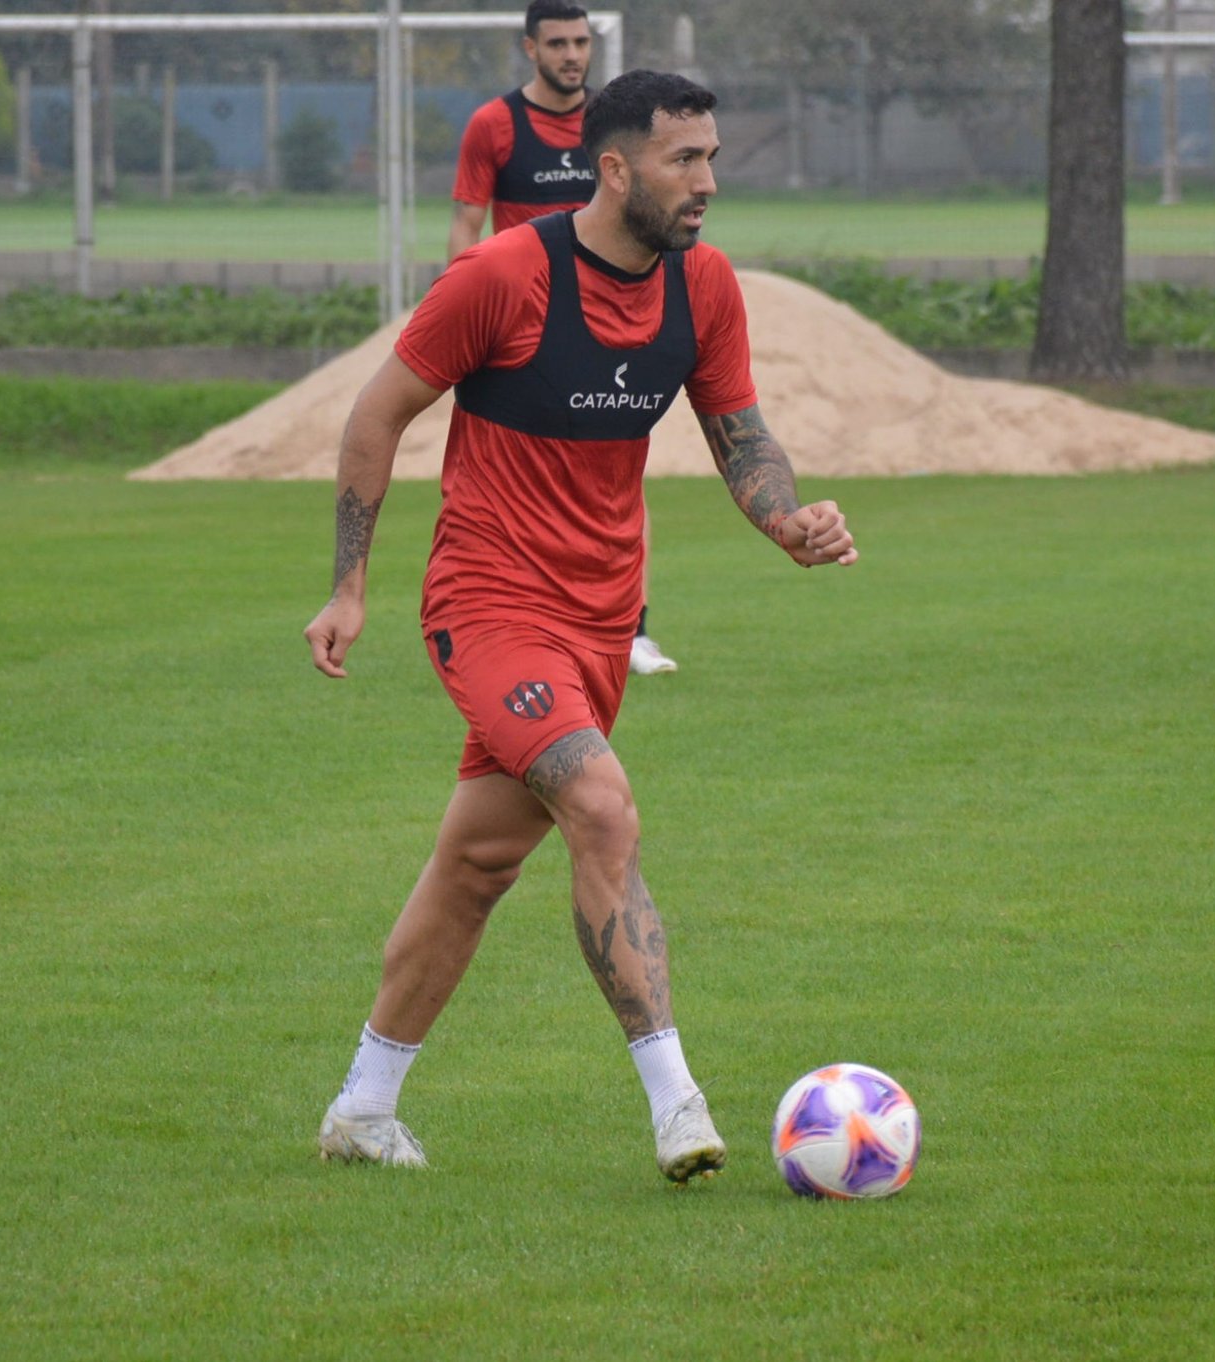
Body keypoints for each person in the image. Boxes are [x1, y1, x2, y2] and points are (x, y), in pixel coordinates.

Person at [304, 69, 857, 1184]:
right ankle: (678, 1107)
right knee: (601, 807)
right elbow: (377, 413)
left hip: (600, 622)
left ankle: (362, 1109)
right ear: (613, 169)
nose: (706, 181)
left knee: (478, 863)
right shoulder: (502, 276)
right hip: (487, 606)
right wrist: (349, 587)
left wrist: (786, 521)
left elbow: (739, 432)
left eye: (710, 157)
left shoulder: (703, 287)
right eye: (682, 159)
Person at [449, 0, 680, 677]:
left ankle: (631, 630)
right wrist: (462, 309)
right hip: (525, 324)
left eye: (581, 42)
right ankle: (513, 615)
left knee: (621, 469)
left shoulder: (613, 127)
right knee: (518, 475)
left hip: (611, 316)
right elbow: (466, 225)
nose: (573, 54)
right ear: (530, 48)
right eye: (558, 43)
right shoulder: (495, 125)